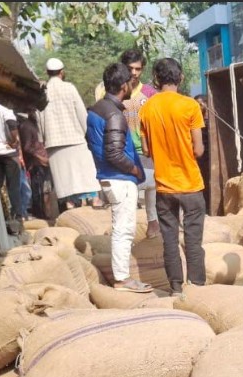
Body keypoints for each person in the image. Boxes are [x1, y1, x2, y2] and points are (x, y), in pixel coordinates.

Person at [139, 58, 206, 295]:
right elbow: (199, 150)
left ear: (156, 79)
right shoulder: (190, 105)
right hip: (191, 185)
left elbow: (146, 150)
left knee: (169, 241)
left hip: (164, 188)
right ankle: (196, 286)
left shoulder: (147, 108)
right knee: (193, 240)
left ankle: (176, 288)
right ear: (181, 78)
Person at [88, 63, 151, 293]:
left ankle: (121, 277)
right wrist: (134, 170)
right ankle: (122, 279)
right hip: (119, 178)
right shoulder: (114, 115)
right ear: (124, 85)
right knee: (124, 230)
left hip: (109, 175)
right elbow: (114, 153)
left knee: (120, 228)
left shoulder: (97, 109)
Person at [96, 49, 161, 238]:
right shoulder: (110, 93)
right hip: (122, 151)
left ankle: (152, 223)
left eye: (138, 69)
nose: (134, 73)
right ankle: (125, 232)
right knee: (127, 195)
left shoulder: (150, 94)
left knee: (152, 189)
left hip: (146, 150)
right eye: (130, 68)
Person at [35, 57, 102, 210]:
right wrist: (87, 133)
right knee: (86, 172)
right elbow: (81, 112)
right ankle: (95, 199)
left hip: (53, 142)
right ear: (62, 72)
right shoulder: (69, 88)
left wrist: (42, 139)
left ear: (47, 72)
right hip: (75, 138)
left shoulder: (42, 92)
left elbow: (38, 117)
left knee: (64, 178)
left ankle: (70, 204)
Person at [0, 102, 25, 220]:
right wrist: (15, 141)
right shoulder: (5, 107)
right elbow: (12, 124)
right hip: (8, 152)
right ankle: (17, 215)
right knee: (13, 186)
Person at [18, 109, 54, 220]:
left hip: (43, 162)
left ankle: (44, 213)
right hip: (36, 164)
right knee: (37, 190)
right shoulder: (27, 126)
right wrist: (41, 158)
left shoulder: (36, 125)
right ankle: (38, 213)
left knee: (46, 190)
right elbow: (27, 147)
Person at [194, 93, 212, 209]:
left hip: (210, 157)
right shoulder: (195, 122)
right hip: (199, 158)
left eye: (199, 104)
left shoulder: (211, 122)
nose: (198, 107)